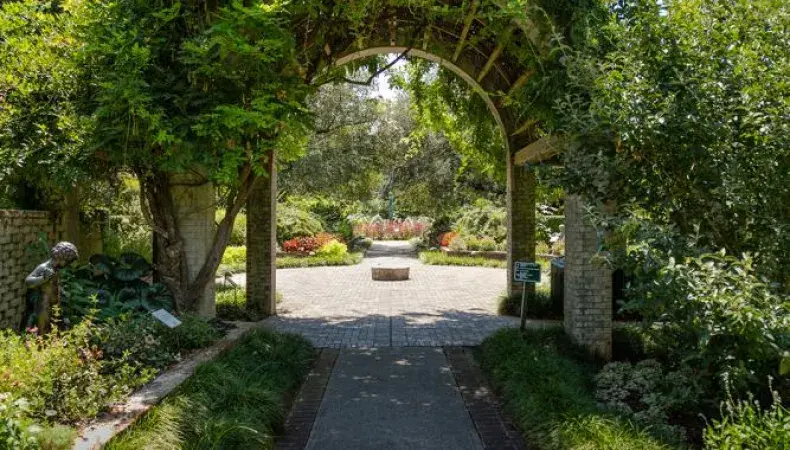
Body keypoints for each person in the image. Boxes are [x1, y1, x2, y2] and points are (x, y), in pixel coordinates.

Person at [23, 242, 79, 332]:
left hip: (52, 306)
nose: (67, 265)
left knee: (59, 328)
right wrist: (43, 278)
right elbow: (28, 281)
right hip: (41, 307)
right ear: (61, 258)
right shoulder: (44, 267)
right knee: (42, 331)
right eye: (67, 262)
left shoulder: (55, 269)